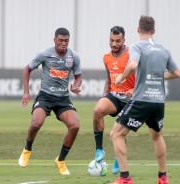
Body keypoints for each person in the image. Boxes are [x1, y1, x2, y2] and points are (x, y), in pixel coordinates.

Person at [110, 15, 180, 184]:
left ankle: (125, 178)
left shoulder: (137, 46)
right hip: (158, 102)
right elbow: (177, 73)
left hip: (141, 100)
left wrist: (121, 78)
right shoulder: (163, 49)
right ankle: (163, 177)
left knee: (116, 134)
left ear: (137, 29)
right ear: (154, 31)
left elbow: (133, 65)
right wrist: (159, 76)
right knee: (157, 136)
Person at [18, 27, 82, 175]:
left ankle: (60, 160)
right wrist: (26, 92)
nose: (63, 43)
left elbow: (78, 76)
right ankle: (27, 149)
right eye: (60, 40)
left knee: (75, 126)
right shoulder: (45, 54)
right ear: (55, 40)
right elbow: (27, 69)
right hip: (45, 97)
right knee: (36, 123)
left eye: (66, 41)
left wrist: (76, 86)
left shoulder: (73, 57)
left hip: (63, 99)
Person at [93, 26, 135, 174]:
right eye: (111, 40)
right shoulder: (106, 57)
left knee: (119, 130)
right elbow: (108, 78)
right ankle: (99, 150)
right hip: (115, 95)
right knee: (97, 110)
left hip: (131, 99)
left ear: (124, 40)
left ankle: (119, 158)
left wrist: (133, 89)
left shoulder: (132, 54)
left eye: (118, 41)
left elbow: (143, 75)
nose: (114, 44)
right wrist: (105, 94)